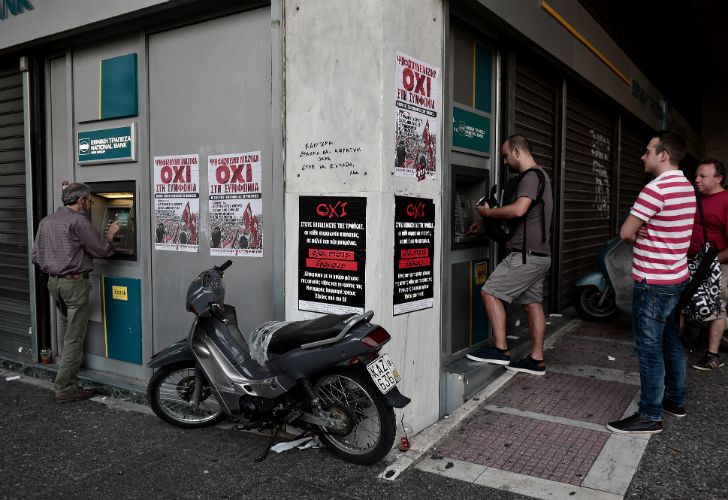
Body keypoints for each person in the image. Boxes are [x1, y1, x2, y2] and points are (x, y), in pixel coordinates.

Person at [607, 131, 695, 435]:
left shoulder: (655, 189)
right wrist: (645, 227)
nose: (642, 156)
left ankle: (649, 415)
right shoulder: (686, 186)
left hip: (653, 281)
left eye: (648, 151)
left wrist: (639, 229)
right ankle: (675, 400)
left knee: (648, 348)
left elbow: (625, 233)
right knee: (670, 340)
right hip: (676, 277)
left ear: (663, 155)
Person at [466, 134, 553, 375]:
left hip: (526, 255)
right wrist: (485, 224)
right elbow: (522, 217)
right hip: (540, 255)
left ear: (517, 151)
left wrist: (486, 214)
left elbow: (518, 210)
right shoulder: (541, 176)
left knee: (490, 292)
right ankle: (536, 360)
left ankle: (500, 350)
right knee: (533, 305)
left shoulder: (531, 176)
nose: (505, 162)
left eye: (506, 156)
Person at [31, 183, 120, 403]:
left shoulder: (46, 221)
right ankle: (64, 388)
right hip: (74, 285)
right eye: (89, 200)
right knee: (74, 337)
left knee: (65, 332)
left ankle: (68, 380)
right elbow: (102, 250)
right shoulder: (79, 221)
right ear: (80, 200)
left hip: (54, 283)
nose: (90, 203)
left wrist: (56, 265)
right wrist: (110, 235)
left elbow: (35, 257)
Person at [689, 159, 728, 370]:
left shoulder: (726, 200)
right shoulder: (695, 197)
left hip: (718, 266)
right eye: (696, 175)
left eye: (702, 176)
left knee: (716, 306)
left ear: (718, 178)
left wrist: (711, 263)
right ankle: (673, 346)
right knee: (682, 302)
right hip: (691, 263)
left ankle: (713, 356)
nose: (697, 179)